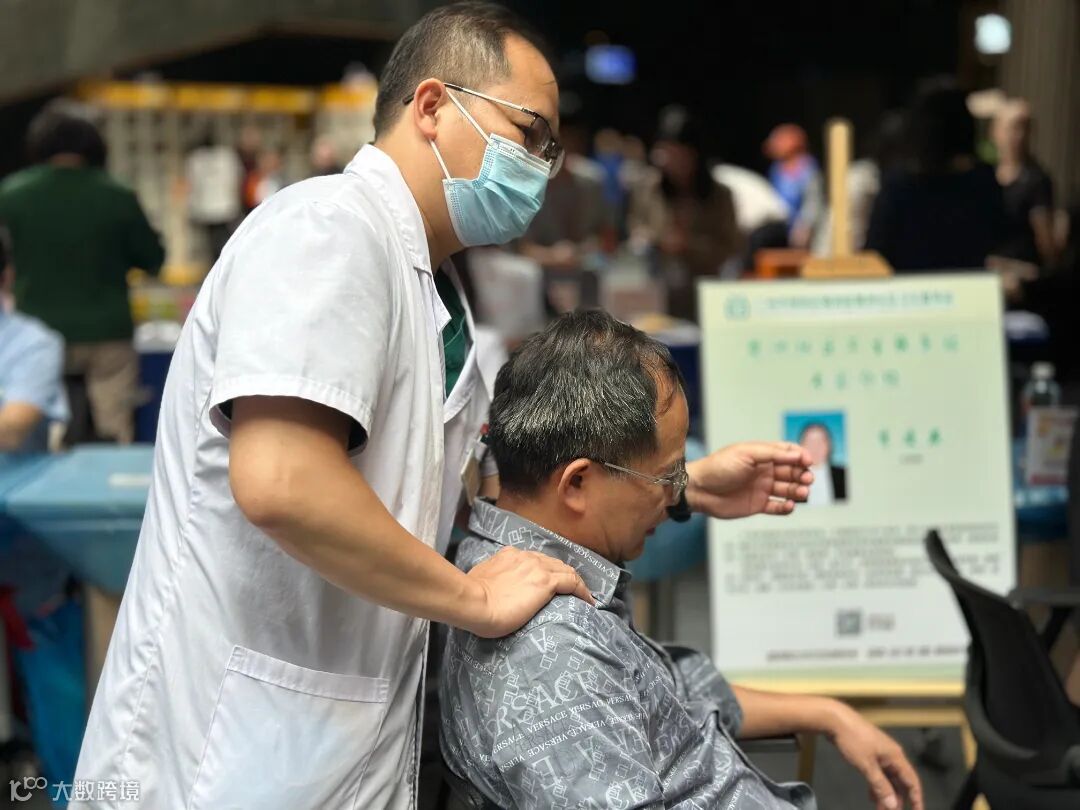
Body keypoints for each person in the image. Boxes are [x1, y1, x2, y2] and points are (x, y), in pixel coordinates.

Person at [73, 5, 814, 808]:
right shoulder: (325, 231)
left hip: (334, 737)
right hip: (229, 744)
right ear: (431, 106)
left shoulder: (435, 286)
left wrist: (676, 484)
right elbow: (282, 480)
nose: (541, 166)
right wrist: (475, 600)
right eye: (528, 133)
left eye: (551, 147)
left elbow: (485, 488)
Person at [441, 311, 922, 810]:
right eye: (668, 476)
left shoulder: (522, 558)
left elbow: (671, 699)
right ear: (578, 483)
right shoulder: (554, 652)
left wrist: (828, 713)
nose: (677, 495)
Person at [0, 108, 165, 444]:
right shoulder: (118, 194)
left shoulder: (11, 194)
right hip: (107, 331)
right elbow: (153, 259)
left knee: (37, 431)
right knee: (113, 427)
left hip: (35, 326)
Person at [865, 78, 1007, 272]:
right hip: (968, 288)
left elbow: (876, 251)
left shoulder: (898, 186)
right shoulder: (982, 182)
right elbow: (1000, 241)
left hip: (910, 288)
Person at [628, 105, 740, 320]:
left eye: (675, 153)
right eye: (664, 151)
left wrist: (688, 245)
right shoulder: (649, 189)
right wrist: (654, 239)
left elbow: (729, 247)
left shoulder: (719, 195)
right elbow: (636, 227)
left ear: (693, 154)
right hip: (657, 290)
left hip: (704, 293)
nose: (667, 160)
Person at [991, 98, 1057, 268]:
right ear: (996, 131)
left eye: (1025, 128)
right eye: (1013, 127)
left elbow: (1045, 241)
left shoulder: (1037, 180)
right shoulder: (985, 177)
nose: (1019, 136)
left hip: (1022, 269)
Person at [184, 131, 244, 264]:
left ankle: (216, 265)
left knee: (212, 244)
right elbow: (236, 180)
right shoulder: (226, 156)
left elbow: (193, 186)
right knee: (224, 243)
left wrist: (192, 208)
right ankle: (222, 265)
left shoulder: (196, 159)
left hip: (207, 209)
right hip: (224, 208)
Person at [764, 123, 824, 249]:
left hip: (803, 231)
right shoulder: (776, 169)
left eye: (779, 140)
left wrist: (805, 226)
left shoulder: (807, 168)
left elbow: (813, 202)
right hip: (781, 226)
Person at [799, 422, 847, 505]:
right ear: (801, 446)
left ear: (829, 445)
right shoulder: (792, 478)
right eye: (810, 442)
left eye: (820, 442)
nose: (815, 448)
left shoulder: (843, 475)